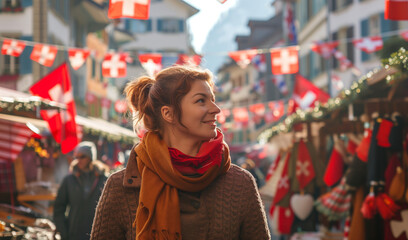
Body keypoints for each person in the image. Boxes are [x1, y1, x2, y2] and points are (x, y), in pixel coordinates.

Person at [90, 65, 270, 240]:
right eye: (201, 100)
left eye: (212, 99)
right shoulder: (122, 187)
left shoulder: (240, 184)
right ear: (168, 113)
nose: (216, 109)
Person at [54, 141, 108, 240]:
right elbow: (58, 208)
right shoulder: (69, 180)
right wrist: (64, 232)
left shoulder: (104, 180)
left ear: (91, 158)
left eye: (82, 156)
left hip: (96, 235)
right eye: (76, 157)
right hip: (73, 235)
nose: (78, 160)